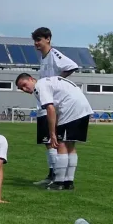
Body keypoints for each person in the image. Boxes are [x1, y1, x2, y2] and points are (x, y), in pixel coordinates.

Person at [17, 74, 92, 190]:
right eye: (21, 88)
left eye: (24, 85)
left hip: (70, 107)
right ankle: (68, 182)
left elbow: (50, 109)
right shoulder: (48, 82)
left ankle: (59, 182)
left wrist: (52, 134)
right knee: (70, 144)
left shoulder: (40, 86)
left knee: (61, 143)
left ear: (32, 79)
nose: (25, 89)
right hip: (83, 107)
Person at [31, 27, 79, 186]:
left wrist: (57, 81)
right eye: (35, 40)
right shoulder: (43, 58)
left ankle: (58, 178)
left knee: (58, 141)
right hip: (45, 102)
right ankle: (52, 175)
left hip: (55, 104)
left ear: (48, 39)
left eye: (39, 39)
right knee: (48, 142)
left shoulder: (54, 54)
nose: (36, 43)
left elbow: (72, 66)